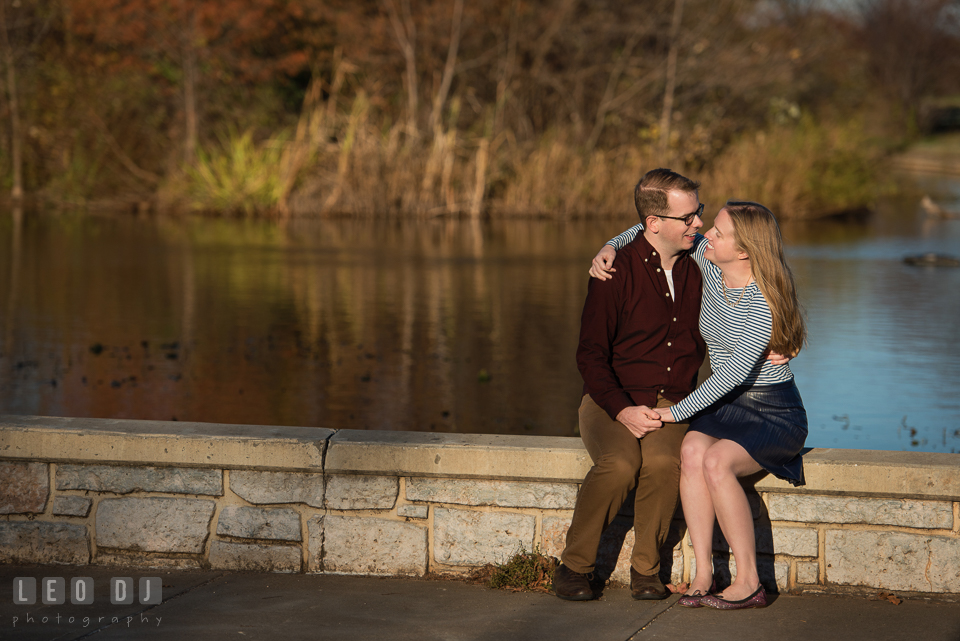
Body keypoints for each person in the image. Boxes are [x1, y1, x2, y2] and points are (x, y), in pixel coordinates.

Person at [590, 201, 807, 610]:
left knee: (716, 462)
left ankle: (750, 582)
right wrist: (609, 246)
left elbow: (731, 376)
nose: (707, 234)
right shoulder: (710, 267)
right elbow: (647, 236)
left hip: (770, 411)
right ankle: (704, 572)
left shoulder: (762, 303)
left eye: (719, 233)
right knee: (690, 451)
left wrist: (676, 412)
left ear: (744, 251)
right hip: (726, 405)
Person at [552, 167, 708, 602]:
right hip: (609, 400)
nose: (698, 223)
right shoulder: (613, 272)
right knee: (619, 465)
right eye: (690, 216)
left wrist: (776, 340)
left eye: (700, 213)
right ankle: (573, 568)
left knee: (661, 464)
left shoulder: (700, 263)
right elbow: (590, 355)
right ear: (655, 224)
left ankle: (646, 572)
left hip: (675, 402)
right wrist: (621, 409)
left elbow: (756, 262)